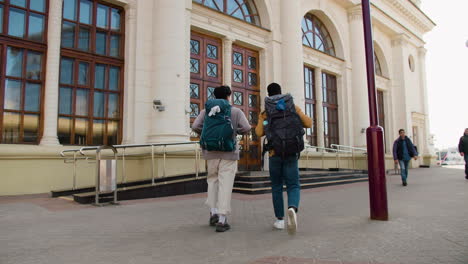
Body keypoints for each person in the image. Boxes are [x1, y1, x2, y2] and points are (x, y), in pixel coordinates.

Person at [255, 83, 312, 235]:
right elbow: (308, 123)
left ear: (268, 94)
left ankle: (279, 220)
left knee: (277, 187)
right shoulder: (292, 106)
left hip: (275, 153)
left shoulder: (266, 112)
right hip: (291, 152)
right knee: (293, 185)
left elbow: (259, 132)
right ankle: (292, 208)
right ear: (281, 92)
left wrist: (265, 121)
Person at [192, 85, 251, 232]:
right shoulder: (236, 111)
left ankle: (213, 213)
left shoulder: (206, 111)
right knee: (226, 184)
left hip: (210, 152)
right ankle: (222, 219)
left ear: (214, 96)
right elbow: (247, 128)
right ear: (229, 96)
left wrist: (206, 133)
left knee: (212, 181)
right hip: (229, 153)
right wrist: (233, 131)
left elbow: (195, 126)